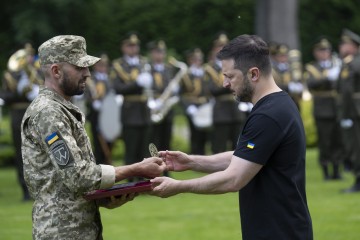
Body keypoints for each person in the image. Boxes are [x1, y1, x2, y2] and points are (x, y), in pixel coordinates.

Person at [151, 34, 313, 240]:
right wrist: (191, 161)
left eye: (230, 76)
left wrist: (179, 186)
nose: (225, 83)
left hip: (279, 231)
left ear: (253, 74)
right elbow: (244, 157)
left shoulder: (268, 115)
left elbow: (234, 178)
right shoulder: (277, 105)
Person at [20, 35, 166, 239]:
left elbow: (65, 183)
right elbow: (77, 176)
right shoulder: (48, 112)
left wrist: (105, 197)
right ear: (56, 71)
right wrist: (136, 169)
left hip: (78, 227)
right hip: (61, 232)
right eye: (79, 68)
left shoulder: (61, 108)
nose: (87, 74)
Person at [1, 43, 43, 201]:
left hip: (35, 114)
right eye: (26, 56)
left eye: (30, 56)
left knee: (39, 151)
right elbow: (4, 96)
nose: (29, 59)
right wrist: (20, 92)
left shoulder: (38, 72)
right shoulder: (10, 75)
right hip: (18, 114)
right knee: (21, 153)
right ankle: (25, 190)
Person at [110, 33, 152, 181]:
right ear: (124, 47)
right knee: (131, 148)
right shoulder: (118, 65)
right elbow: (117, 88)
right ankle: (130, 179)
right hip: (129, 111)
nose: (134, 48)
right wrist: (136, 84)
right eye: (130, 45)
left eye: (136, 45)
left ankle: (143, 179)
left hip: (144, 110)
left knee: (143, 148)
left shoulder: (144, 62)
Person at [303, 37, 343, 180]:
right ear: (316, 53)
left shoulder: (336, 65)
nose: (324, 53)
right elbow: (311, 83)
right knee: (325, 141)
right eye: (321, 51)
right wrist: (328, 78)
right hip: (322, 108)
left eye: (326, 50)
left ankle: (337, 170)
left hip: (336, 107)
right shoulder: (312, 67)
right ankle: (326, 171)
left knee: (337, 140)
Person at [205, 33, 246, 153]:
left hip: (235, 108)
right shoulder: (210, 68)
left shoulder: (236, 65)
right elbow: (211, 89)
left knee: (238, 145)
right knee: (219, 146)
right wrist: (230, 84)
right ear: (215, 49)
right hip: (221, 109)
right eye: (220, 46)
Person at [147, 40, 177, 176]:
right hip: (154, 107)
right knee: (154, 140)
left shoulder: (168, 69)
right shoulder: (148, 69)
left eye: (162, 52)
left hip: (166, 108)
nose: (160, 55)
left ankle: (167, 170)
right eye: (157, 52)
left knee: (166, 140)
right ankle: (154, 169)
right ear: (152, 53)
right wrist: (152, 101)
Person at [337, 29, 360, 193]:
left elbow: (346, 91)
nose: (342, 48)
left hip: (354, 111)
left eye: (345, 44)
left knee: (355, 146)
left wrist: (344, 114)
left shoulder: (351, 63)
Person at [181, 48, 211, 155]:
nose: (197, 62)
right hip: (192, 105)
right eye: (195, 59)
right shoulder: (185, 75)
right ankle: (194, 153)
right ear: (190, 60)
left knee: (205, 132)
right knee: (194, 132)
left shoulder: (205, 74)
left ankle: (203, 153)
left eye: (199, 59)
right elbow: (181, 94)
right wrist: (188, 106)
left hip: (204, 105)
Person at [272, 43, 303, 109]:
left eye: (285, 55)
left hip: (293, 101)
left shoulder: (293, 69)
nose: (283, 58)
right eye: (280, 56)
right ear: (275, 57)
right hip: (278, 102)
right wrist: (288, 87)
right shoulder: (272, 70)